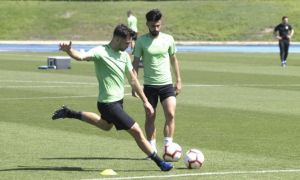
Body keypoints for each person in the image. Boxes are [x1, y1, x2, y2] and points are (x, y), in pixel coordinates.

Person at [51, 24, 173, 171]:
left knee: (105, 126)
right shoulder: (100, 51)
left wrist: (146, 101)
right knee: (136, 131)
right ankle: (160, 162)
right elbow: (81, 56)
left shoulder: (125, 56)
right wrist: (69, 50)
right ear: (117, 39)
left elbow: (133, 80)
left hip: (117, 102)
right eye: (127, 43)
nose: (129, 46)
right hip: (108, 104)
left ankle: (70, 113)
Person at [132, 9, 182, 154]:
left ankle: (168, 147)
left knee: (171, 114)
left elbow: (174, 60)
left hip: (166, 84)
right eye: (153, 26)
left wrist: (178, 80)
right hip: (149, 86)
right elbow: (135, 64)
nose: (156, 28)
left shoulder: (168, 39)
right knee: (150, 116)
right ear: (147, 24)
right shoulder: (141, 41)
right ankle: (151, 148)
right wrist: (134, 84)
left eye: (158, 25)